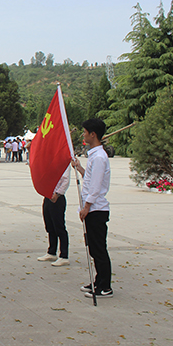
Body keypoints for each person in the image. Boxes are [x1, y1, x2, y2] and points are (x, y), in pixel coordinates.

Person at [72, 118, 113, 298]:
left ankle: (105, 286)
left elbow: (95, 187)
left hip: (96, 210)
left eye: (85, 132)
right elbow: (89, 178)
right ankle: (98, 281)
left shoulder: (99, 157)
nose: (83, 135)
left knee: (98, 249)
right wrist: (79, 168)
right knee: (94, 249)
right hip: (92, 209)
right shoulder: (94, 156)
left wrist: (86, 207)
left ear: (93, 134)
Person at [37, 168, 70, 267]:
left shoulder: (63, 163)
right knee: (49, 226)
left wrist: (58, 194)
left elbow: (66, 180)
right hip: (48, 196)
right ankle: (52, 252)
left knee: (59, 227)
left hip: (57, 198)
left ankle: (64, 256)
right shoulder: (50, 163)